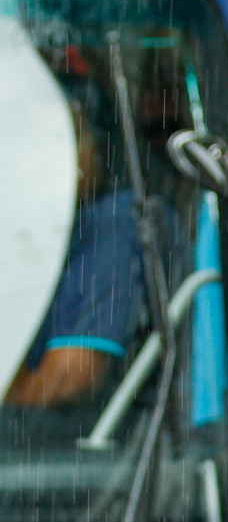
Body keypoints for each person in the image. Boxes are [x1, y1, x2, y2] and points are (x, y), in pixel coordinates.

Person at [6, 78, 141, 409]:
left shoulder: (112, 225)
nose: (51, 161)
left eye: (62, 140)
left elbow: (64, 383)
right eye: (27, 145)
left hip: (73, 454)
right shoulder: (24, 233)